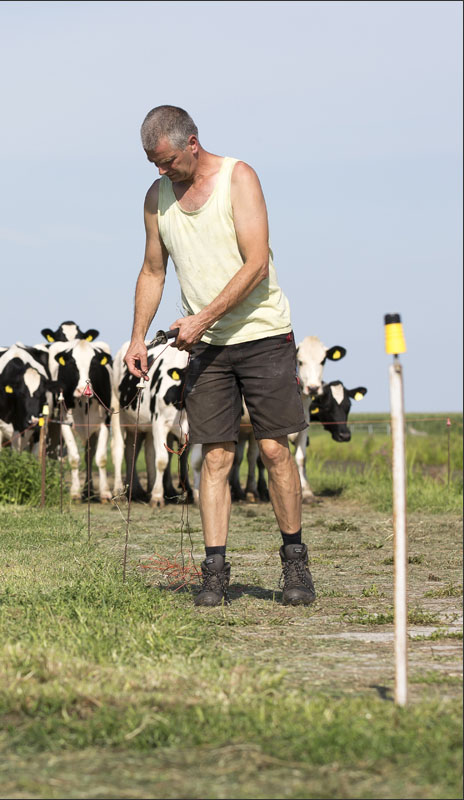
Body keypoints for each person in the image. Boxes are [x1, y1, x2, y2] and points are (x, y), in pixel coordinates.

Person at [124, 105, 314, 607]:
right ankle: (214, 572)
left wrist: (203, 318)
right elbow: (152, 271)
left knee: (274, 450)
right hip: (206, 346)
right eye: (152, 164)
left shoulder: (239, 178)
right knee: (216, 456)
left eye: (166, 161)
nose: (161, 171)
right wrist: (138, 336)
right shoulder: (156, 198)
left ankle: (295, 564)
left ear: (192, 142)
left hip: (263, 334)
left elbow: (256, 263)